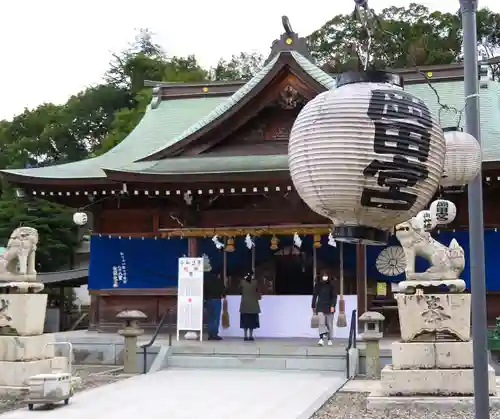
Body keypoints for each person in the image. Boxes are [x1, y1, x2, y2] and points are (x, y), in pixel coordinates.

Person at [311, 271, 337, 346]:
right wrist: (313, 305)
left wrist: (333, 306)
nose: (325, 277)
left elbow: (334, 297)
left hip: (329, 307)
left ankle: (329, 339)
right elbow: (315, 295)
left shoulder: (331, 286)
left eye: (326, 275)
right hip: (320, 306)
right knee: (321, 323)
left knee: (329, 324)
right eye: (323, 275)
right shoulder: (318, 285)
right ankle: (321, 339)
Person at [204, 272, 226, 340]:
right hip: (217, 300)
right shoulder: (219, 282)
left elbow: (204, 292)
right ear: (218, 275)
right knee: (216, 318)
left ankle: (210, 334)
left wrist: (205, 300)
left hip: (209, 300)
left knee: (210, 318)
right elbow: (224, 292)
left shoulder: (207, 282)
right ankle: (215, 334)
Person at [239, 271, 261, 341]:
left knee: (245, 322)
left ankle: (245, 336)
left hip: (244, 305)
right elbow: (259, 296)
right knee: (252, 322)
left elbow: (239, 291)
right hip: (253, 306)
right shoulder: (255, 282)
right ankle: (251, 336)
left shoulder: (242, 282)